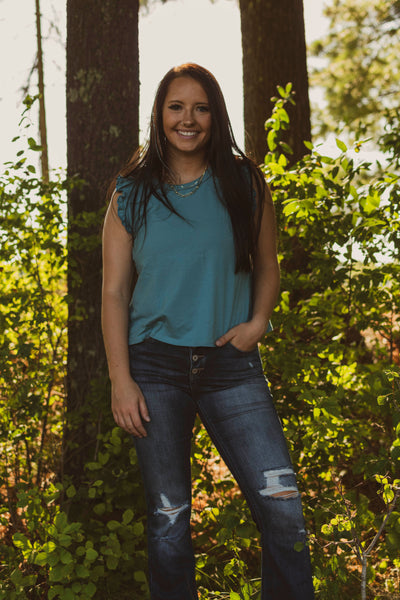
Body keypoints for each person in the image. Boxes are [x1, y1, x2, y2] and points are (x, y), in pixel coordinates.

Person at [101, 63, 314, 600]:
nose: (188, 119)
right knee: (168, 522)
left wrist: (258, 323)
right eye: (176, 107)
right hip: (153, 368)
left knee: (283, 508)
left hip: (230, 364)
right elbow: (112, 294)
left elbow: (267, 266)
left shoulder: (244, 182)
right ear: (159, 114)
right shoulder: (130, 193)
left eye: (200, 108)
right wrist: (120, 381)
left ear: (215, 116)